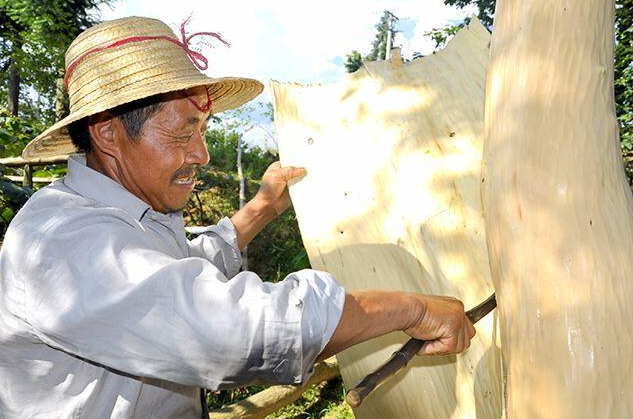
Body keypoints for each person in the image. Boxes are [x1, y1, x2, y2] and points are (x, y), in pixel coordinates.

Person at [0, 16, 475, 418]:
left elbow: (187, 264)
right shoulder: (61, 242)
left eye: (203, 130)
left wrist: (263, 207)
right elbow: (228, 330)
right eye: (184, 133)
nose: (202, 154)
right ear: (107, 134)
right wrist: (412, 308)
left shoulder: (127, 217)